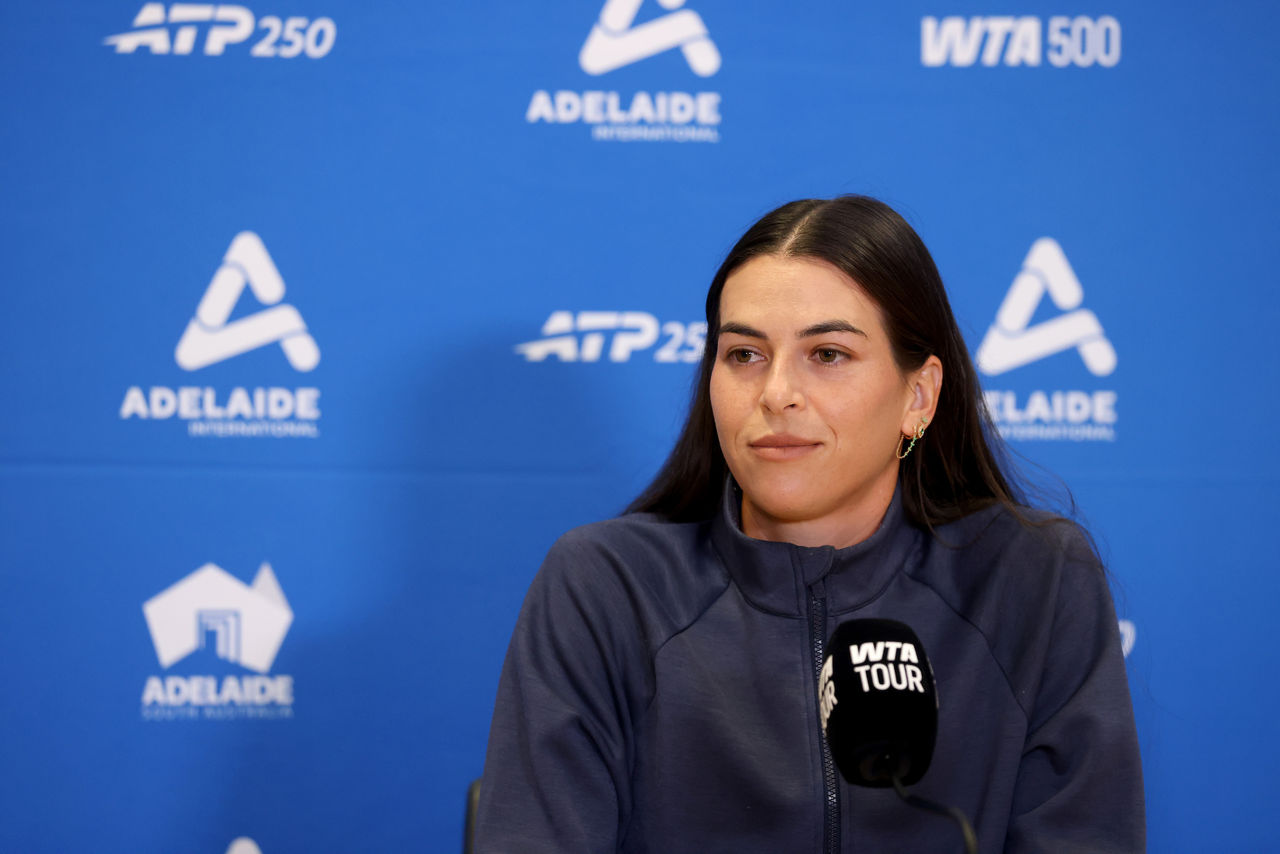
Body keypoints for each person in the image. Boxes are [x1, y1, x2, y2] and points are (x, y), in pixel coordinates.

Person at [473, 196, 1144, 853]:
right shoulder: (607, 586)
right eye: (744, 355)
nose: (775, 394)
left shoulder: (1033, 578)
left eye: (827, 354)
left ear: (919, 396)